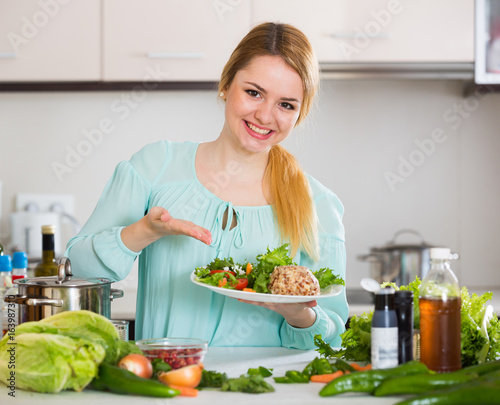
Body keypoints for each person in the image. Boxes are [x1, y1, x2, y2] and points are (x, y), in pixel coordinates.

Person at [66, 22, 348, 349]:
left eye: (286, 104)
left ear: (299, 114)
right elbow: (77, 270)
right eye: (254, 92)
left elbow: (331, 338)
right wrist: (144, 231)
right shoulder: (155, 167)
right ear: (226, 85)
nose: (265, 116)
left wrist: (300, 316)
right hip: (167, 387)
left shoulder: (318, 205)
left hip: (263, 392)